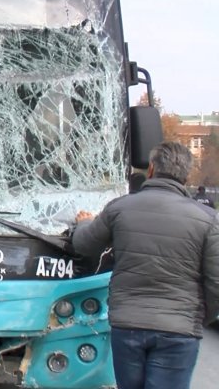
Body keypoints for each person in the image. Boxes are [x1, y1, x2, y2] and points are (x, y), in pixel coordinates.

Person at [71, 141, 219, 389]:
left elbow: (83, 245)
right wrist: (198, 317)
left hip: (128, 326)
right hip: (179, 331)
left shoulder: (120, 208)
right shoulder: (208, 220)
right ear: (186, 174)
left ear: (151, 169)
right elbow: (216, 283)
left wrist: (85, 223)